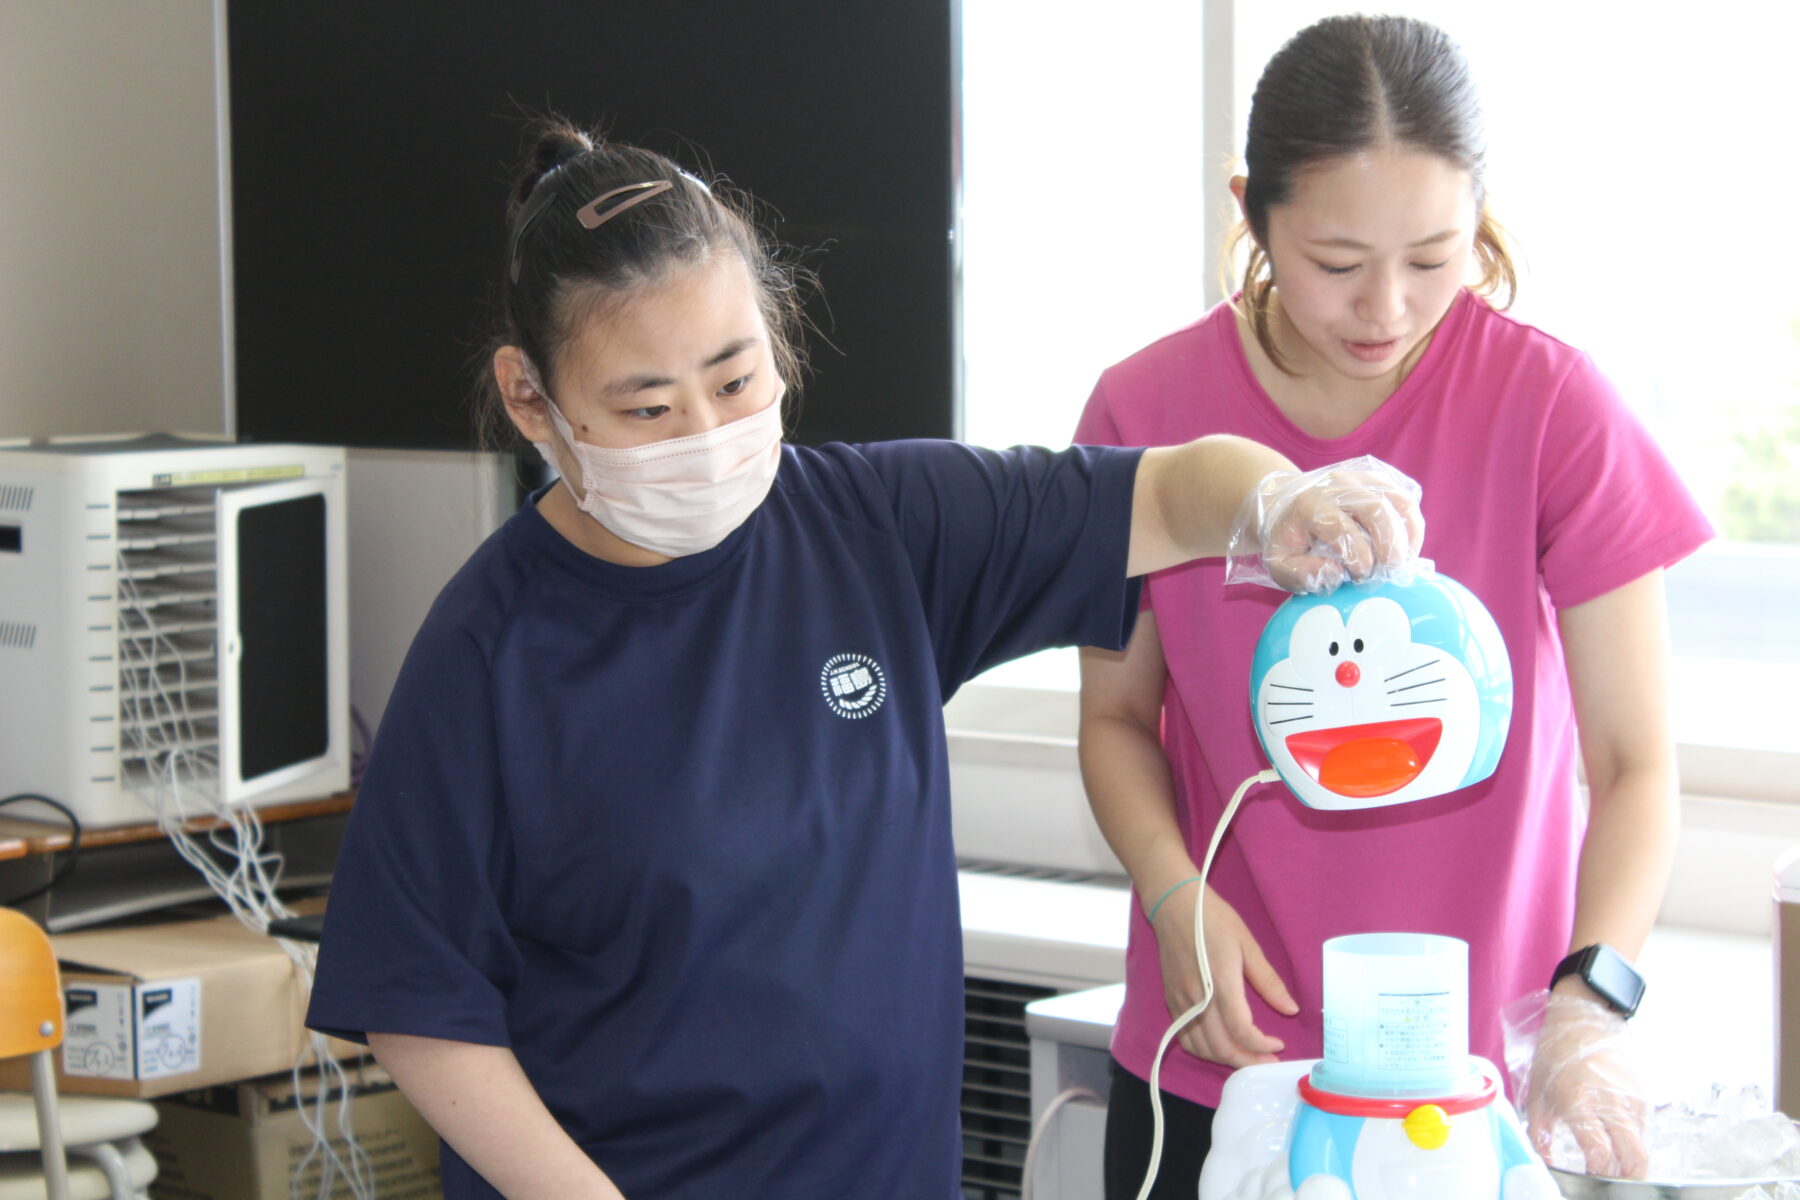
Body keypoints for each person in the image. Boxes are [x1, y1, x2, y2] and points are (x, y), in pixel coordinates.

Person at [303, 120, 1419, 1200]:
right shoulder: (489, 649)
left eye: (736, 381)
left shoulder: (877, 529)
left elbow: (1171, 489)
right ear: (530, 399)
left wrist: (1278, 498)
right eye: (646, 406)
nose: (703, 432)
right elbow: (420, 1004)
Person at [1074, 14, 1713, 1196]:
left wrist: (1587, 1006)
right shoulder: (1146, 409)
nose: (1386, 310)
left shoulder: (1554, 408)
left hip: (1472, 1098)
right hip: (1224, 1061)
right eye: (1335, 261)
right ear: (1251, 210)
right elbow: (1116, 721)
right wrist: (1175, 899)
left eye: (1434, 256)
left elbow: (1637, 769)